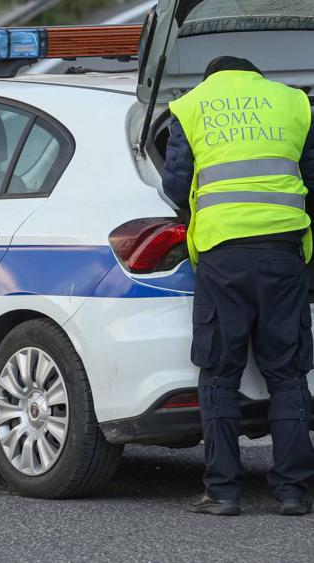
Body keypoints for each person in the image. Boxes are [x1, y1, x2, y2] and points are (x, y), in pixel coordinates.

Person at [162, 56, 314, 516]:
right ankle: (292, 492)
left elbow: (175, 184)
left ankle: (223, 491)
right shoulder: (295, 104)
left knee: (219, 373)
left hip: (221, 253)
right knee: (287, 374)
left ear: (211, 78)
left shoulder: (190, 106)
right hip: (284, 250)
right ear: (257, 78)